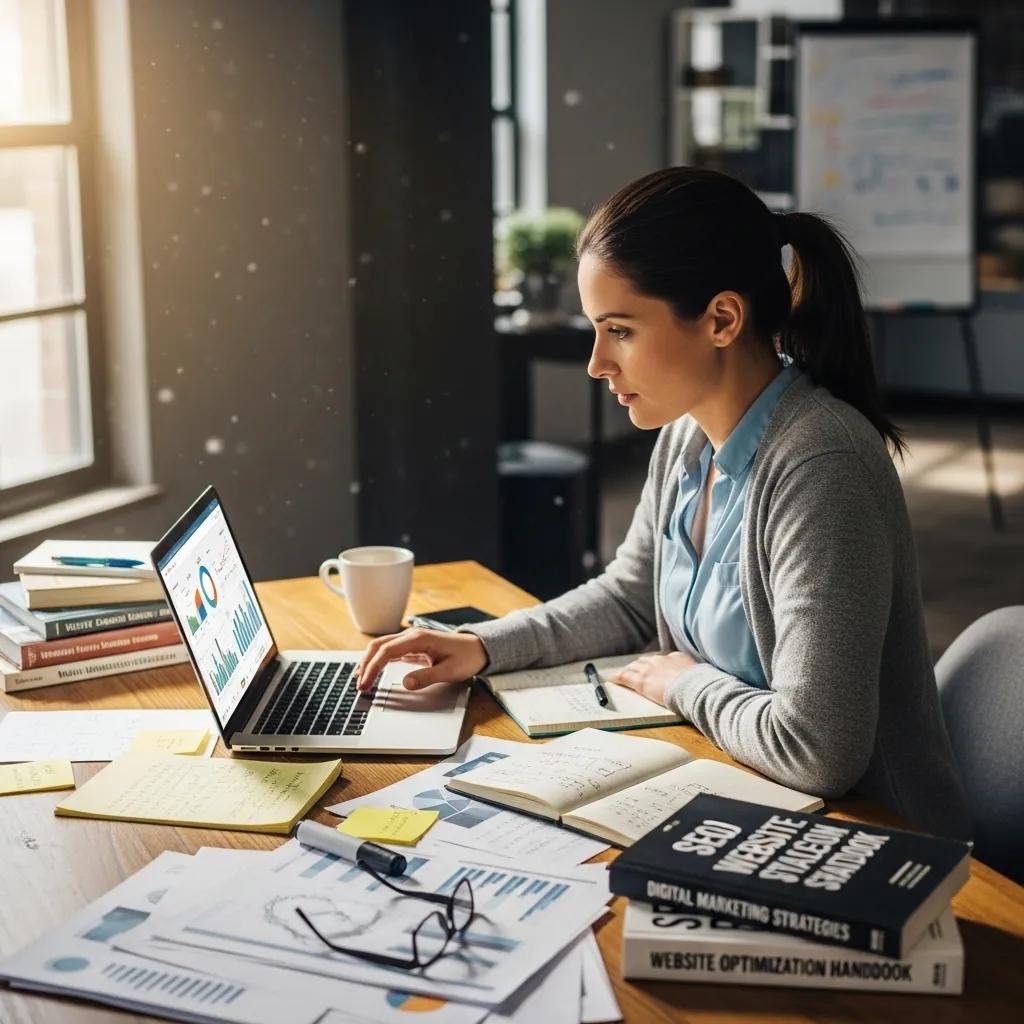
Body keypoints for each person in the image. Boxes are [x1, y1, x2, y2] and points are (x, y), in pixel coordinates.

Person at [356, 167, 971, 841]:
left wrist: (684, 684)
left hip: (873, 839)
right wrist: (480, 645)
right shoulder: (688, 432)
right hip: (737, 785)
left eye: (620, 330)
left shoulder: (822, 466)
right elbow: (630, 598)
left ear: (722, 319)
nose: (597, 363)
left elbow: (816, 748)